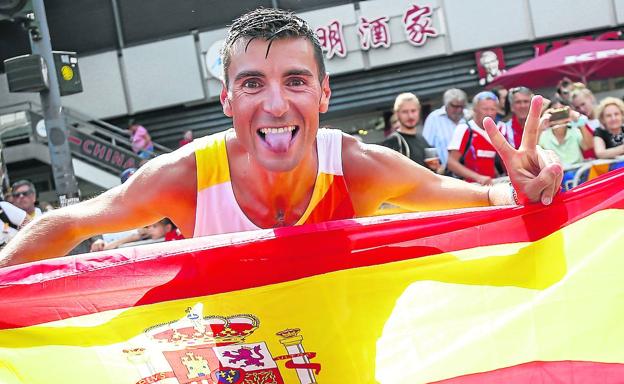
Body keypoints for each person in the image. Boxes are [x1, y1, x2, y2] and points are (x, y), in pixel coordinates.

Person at [0, 8, 563, 267]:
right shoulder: (188, 176)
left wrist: (522, 187)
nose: (275, 104)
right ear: (227, 100)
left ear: (322, 94)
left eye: (295, 81)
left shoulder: (357, 165)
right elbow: (66, 222)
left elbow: (476, 200)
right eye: (251, 83)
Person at [447, 91, 509, 185]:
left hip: (492, 186)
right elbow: (451, 163)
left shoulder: (501, 129)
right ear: (475, 109)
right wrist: (478, 178)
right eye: (485, 109)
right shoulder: (464, 129)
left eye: (493, 109)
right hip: (469, 188)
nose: (489, 113)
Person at [381, 93, 439, 171]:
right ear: (397, 113)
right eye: (405, 112)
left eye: (413, 111)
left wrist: (434, 168)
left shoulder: (421, 139)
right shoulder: (393, 141)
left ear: (419, 111)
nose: (410, 116)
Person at [538, 96, 594, 167]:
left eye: (562, 110)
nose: (558, 114)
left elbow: (588, 146)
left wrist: (578, 121)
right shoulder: (543, 135)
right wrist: (541, 126)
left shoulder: (575, 131)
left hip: (577, 171)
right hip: (557, 174)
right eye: (555, 110)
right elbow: (533, 152)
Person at [422, 88, 467, 168]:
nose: (459, 110)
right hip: (445, 172)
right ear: (446, 105)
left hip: (470, 171)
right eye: (455, 106)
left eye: (461, 106)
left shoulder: (468, 116)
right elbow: (427, 147)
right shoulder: (434, 118)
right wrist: (437, 167)